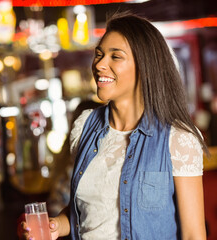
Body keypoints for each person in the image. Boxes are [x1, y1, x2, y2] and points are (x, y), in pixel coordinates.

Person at [18, 11, 209, 240]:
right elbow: (89, 212)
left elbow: (193, 235)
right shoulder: (84, 126)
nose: (100, 65)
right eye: (99, 55)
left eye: (115, 57)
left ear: (144, 67)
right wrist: (56, 226)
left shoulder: (177, 139)